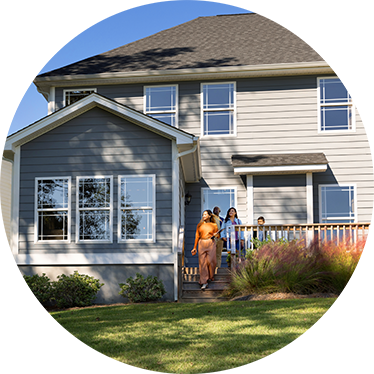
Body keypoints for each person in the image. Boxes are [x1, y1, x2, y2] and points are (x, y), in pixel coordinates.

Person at [191, 210, 219, 290]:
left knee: (210, 261)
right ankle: (204, 282)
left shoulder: (214, 225)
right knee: (202, 263)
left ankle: (211, 276)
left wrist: (216, 235)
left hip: (210, 243)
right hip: (201, 243)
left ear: (209, 216)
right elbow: (197, 236)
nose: (204, 216)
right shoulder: (199, 225)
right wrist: (194, 247)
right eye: (203, 214)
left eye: (205, 214)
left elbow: (218, 236)